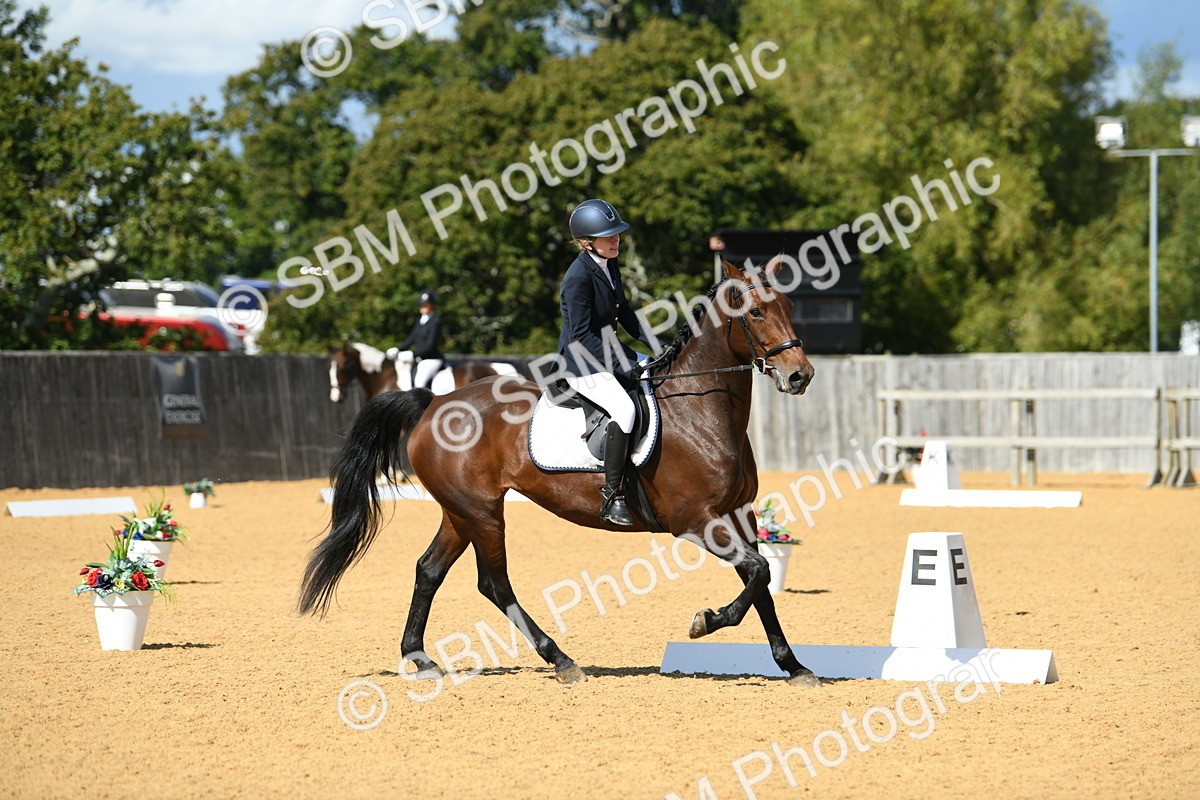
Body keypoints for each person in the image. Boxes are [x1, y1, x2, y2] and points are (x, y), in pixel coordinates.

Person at [556, 198, 654, 527]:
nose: (616, 240)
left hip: (604, 351)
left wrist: (655, 345)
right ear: (587, 243)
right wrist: (629, 361)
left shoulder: (609, 264)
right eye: (609, 236)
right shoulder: (577, 278)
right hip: (581, 362)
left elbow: (624, 312)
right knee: (624, 410)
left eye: (617, 235)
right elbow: (582, 337)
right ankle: (613, 495)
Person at [396, 289, 444, 389]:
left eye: (426, 304)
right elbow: (411, 338)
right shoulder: (420, 321)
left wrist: (413, 354)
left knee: (419, 382)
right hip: (420, 359)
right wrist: (398, 349)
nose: (423, 306)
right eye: (422, 304)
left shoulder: (435, 322)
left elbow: (430, 346)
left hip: (431, 359)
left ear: (432, 305)